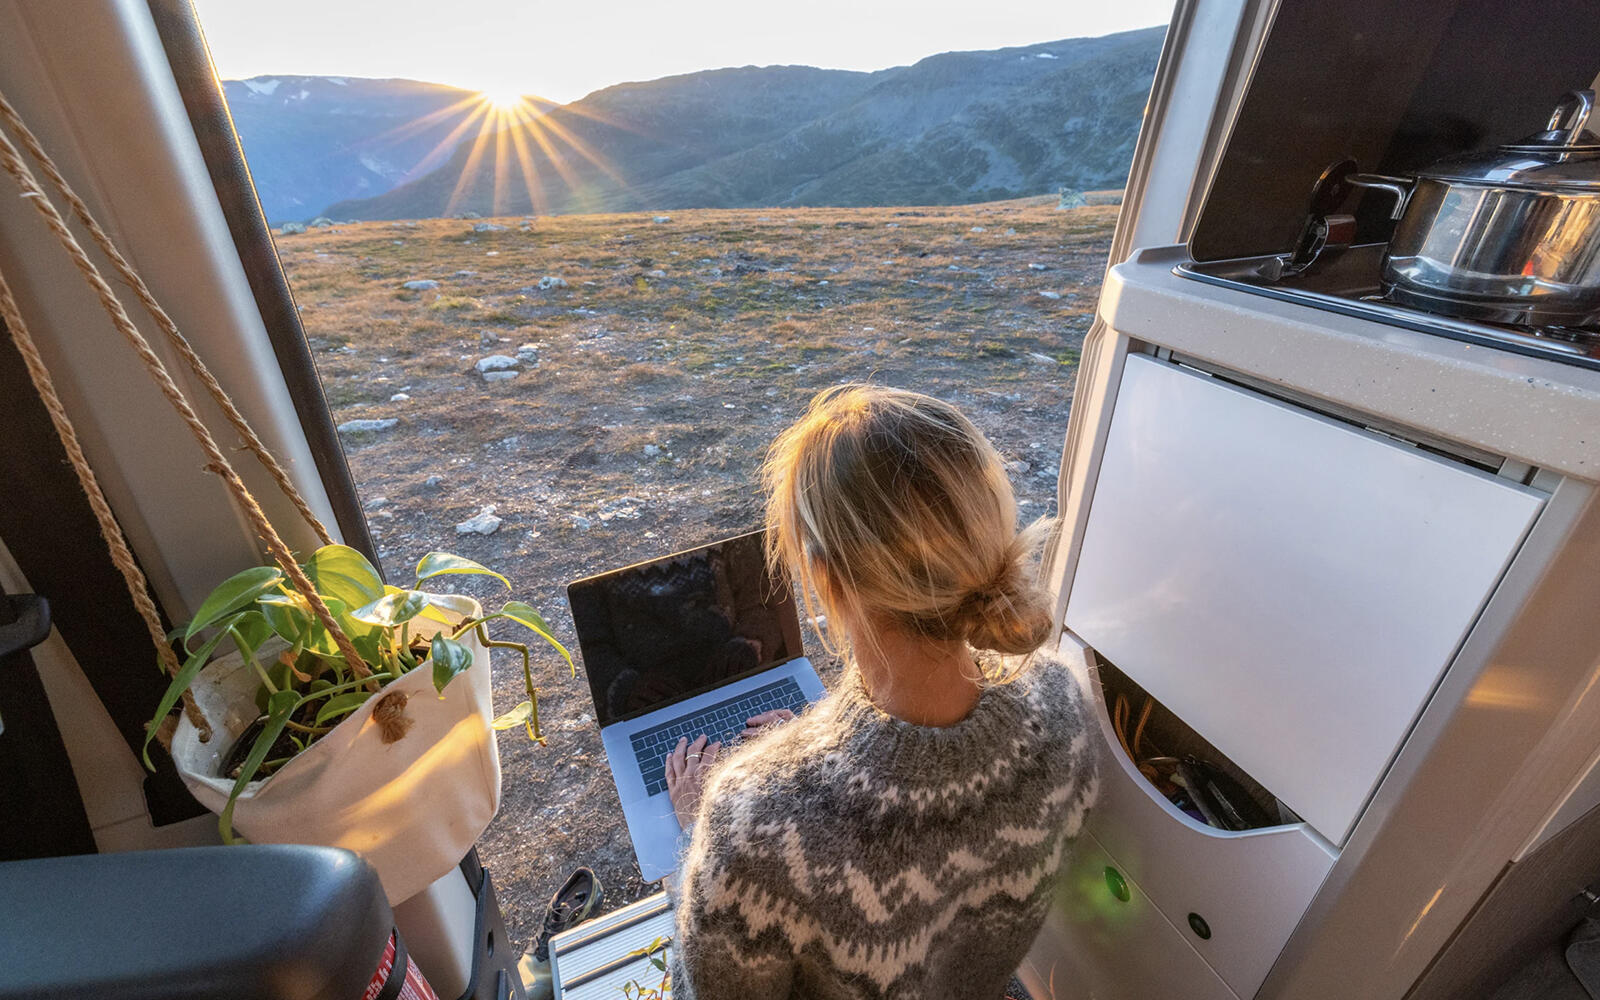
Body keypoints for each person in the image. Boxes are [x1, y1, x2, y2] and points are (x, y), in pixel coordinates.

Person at [662, 384, 1099, 1000]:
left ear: (823, 576)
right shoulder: (1060, 704)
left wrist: (694, 839)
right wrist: (814, 750)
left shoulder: (754, 826)